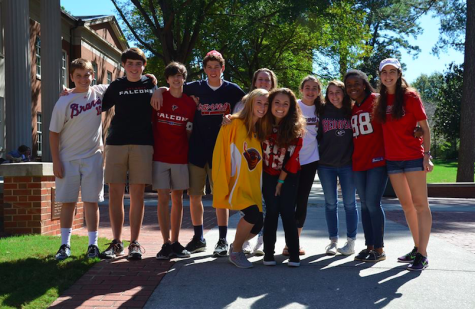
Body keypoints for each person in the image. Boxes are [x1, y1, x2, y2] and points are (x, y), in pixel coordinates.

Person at [151, 50, 245, 257]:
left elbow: (247, 105)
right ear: (204, 69)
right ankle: (198, 237)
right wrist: (158, 90)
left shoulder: (232, 90)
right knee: (195, 196)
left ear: (223, 68)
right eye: (209, 67)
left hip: (220, 150)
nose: (213, 71)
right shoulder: (195, 87)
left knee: (220, 197)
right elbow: (173, 86)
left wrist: (235, 117)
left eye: (216, 67)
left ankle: (222, 240)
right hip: (195, 149)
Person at [374, 58, 433, 271]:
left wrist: (426, 155)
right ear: (380, 76)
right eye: (384, 72)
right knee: (407, 206)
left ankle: (423, 254)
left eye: (392, 71)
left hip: (413, 158)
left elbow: (425, 128)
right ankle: (417, 247)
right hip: (392, 160)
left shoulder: (410, 97)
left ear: (399, 74)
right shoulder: (380, 101)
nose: (388, 75)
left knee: (420, 205)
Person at [100, 47, 156, 260]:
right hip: (116, 143)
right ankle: (116, 242)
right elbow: (99, 103)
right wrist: (72, 91)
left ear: (144, 65)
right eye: (130, 63)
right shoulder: (116, 85)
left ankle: (134, 242)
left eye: (138, 63)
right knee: (114, 193)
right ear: (123, 65)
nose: (134, 67)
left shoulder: (150, 84)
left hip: (143, 143)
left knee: (137, 195)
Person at [49, 58, 106, 260]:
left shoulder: (99, 92)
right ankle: (65, 245)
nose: (83, 79)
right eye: (78, 76)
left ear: (93, 75)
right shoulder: (64, 100)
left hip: (93, 158)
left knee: (92, 202)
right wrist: (56, 161)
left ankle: (93, 245)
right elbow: (53, 133)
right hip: (68, 159)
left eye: (87, 75)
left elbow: (127, 82)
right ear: (71, 77)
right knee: (68, 202)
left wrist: (151, 80)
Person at [213, 88, 269, 268]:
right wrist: (222, 180)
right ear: (250, 103)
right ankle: (236, 251)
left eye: (266, 103)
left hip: (252, 185)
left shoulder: (261, 128)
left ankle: (235, 245)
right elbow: (221, 152)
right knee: (252, 214)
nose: (262, 107)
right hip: (235, 182)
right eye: (258, 102)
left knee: (258, 223)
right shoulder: (233, 123)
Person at [154, 62, 196, 260]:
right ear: (168, 79)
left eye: (180, 75)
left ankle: (176, 242)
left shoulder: (190, 103)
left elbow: (190, 130)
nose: (177, 79)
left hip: (180, 157)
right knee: (163, 198)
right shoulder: (159, 98)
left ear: (184, 79)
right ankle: (165, 244)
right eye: (173, 76)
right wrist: (158, 91)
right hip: (160, 157)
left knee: (177, 198)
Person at [344, 70, 387, 262]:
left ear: (364, 84)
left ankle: (379, 249)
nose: (353, 87)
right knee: (364, 205)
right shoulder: (353, 108)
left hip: (377, 161)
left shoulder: (377, 100)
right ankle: (369, 246)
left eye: (356, 83)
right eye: (349, 85)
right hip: (359, 162)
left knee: (372, 203)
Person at [262, 88, 305, 267]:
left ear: (291, 107)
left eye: (285, 104)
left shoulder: (295, 128)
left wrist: (280, 182)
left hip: (289, 175)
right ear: (270, 104)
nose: (281, 107)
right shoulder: (261, 124)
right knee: (271, 212)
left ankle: (294, 255)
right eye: (277, 102)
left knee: (287, 212)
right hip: (267, 175)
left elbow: (292, 158)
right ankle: (268, 254)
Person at [238, 68, 278, 256]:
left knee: (267, 204)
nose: (263, 83)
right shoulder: (245, 103)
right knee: (250, 203)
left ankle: (261, 241)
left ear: (272, 83)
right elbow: (238, 123)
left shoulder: (275, 104)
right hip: (250, 162)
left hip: (270, 163)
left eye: (267, 80)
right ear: (254, 82)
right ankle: (244, 242)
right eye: (260, 79)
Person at [282, 76, 322, 256]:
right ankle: (288, 241)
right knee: (289, 202)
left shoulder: (321, 109)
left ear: (319, 91)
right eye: (307, 87)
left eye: (314, 88)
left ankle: (294, 243)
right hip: (291, 160)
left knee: (302, 201)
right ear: (301, 89)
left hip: (310, 160)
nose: (310, 91)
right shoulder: (293, 106)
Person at [317, 80, 357, 256]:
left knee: (350, 203)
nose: (334, 96)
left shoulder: (352, 110)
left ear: (344, 93)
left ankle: (351, 242)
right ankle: (333, 241)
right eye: (330, 93)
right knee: (331, 203)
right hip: (326, 165)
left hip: (348, 164)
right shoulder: (323, 111)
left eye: (338, 92)